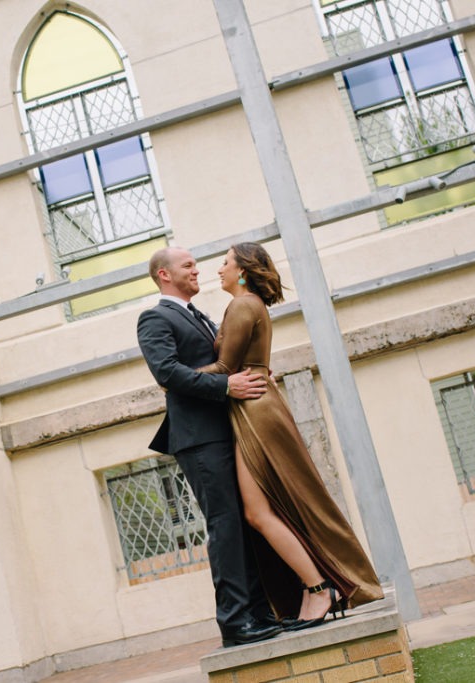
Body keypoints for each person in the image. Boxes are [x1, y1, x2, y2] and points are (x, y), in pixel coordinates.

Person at [195, 242, 383, 629]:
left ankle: (319, 588)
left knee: (258, 513)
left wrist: (174, 380)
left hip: (256, 411)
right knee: (265, 510)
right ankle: (314, 587)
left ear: (244, 271)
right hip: (255, 406)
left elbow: (227, 366)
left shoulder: (243, 305)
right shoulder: (247, 306)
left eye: (225, 263)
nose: (219, 270)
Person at [137, 246, 281, 647]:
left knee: (243, 520)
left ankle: (258, 610)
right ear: (164, 275)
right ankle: (235, 623)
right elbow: (166, 372)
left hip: (227, 430)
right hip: (198, 437)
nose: (197, 270)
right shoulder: (154, 317)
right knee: (225, 523)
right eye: (188, 265)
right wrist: (225, 385)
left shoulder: (198, 315)